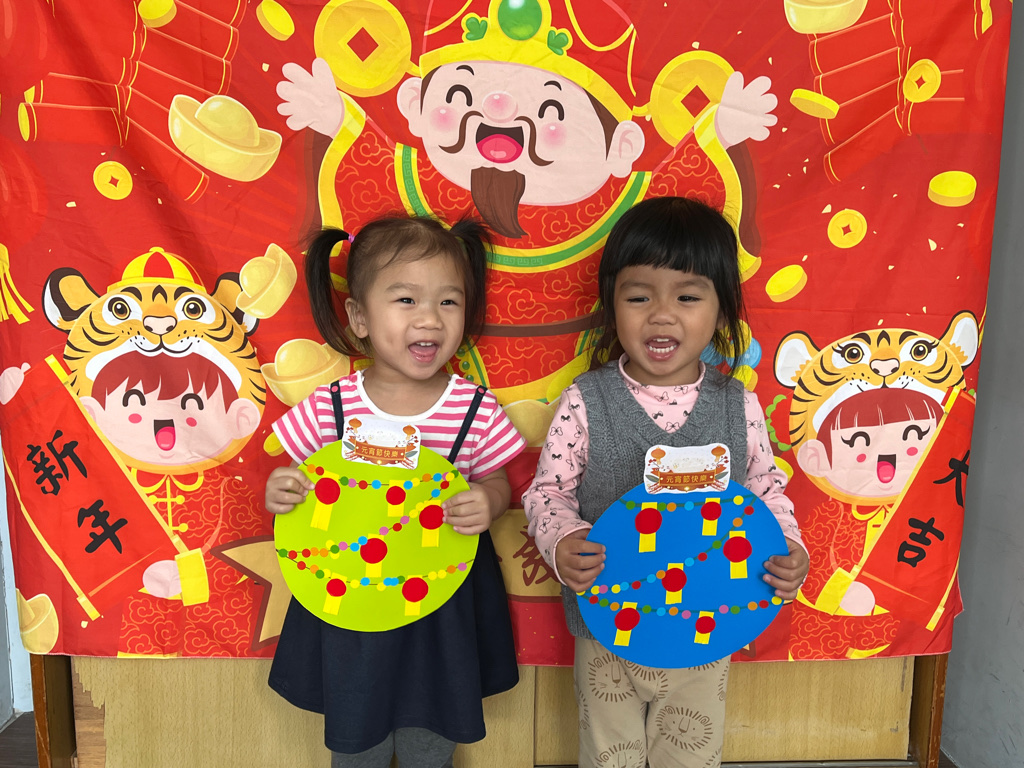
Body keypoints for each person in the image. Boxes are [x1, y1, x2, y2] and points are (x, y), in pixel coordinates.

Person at [522, 197, 809, 768]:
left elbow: (765, 487)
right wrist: (562, 541)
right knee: (609, 757)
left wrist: (788, 547)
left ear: (722, 312)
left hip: (708, 624)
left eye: (687, 296)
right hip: (607, 626)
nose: (661, 315)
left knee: (690, 756)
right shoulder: (586, 401)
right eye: (639, 297)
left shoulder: (738, 405)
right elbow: (547, 492)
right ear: (612, 306)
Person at [264, 216, 527, 767]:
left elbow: (498, 481)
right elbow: (297, 479)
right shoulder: (332, 406)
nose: (429, 318)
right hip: (352, 598)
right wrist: (283, 488)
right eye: (406, 300)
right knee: (357, 733)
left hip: (443, 604)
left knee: (432, 730)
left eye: (448, 302)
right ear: (359, 317)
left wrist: (489, 500)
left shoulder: (474, 409)